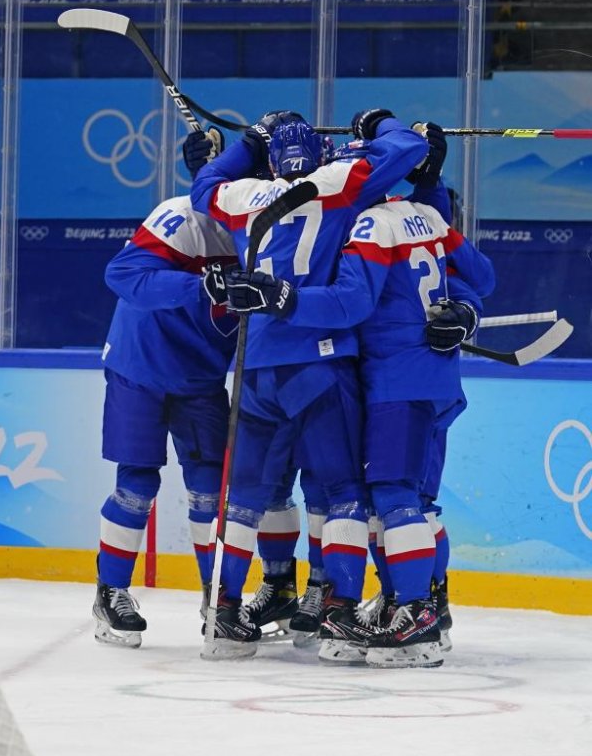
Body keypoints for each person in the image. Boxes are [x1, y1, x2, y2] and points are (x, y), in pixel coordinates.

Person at [224, 122, 494, 667]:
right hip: (437, 381)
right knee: (417, 504)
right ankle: (426, 608)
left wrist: (283, 298)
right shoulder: (430, 216)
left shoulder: (370, 224)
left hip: (395, 383)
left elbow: (350, 304)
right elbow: (479, 278)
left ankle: (413, 612)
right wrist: (466, 312)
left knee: (392, 499)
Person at [191, 108, 428, 661]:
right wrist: (376, 125)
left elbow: (204, 183)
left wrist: (247, 141)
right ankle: (338, 613)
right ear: (322, 155)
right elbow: (407, 152)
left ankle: (224, 611)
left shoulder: (241, 195)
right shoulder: (339, 180)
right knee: (342, 492)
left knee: (244, 497)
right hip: (319, 361)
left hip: (255, 366)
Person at [90, 127, 242, 648]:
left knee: (209, 489)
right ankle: (110, 594)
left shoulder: (263, 227)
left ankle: (216, 597)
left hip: (200, 376)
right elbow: (124, 274)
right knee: (136, 485)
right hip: (142, 366)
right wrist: (202, 285)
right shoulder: (179, 214)